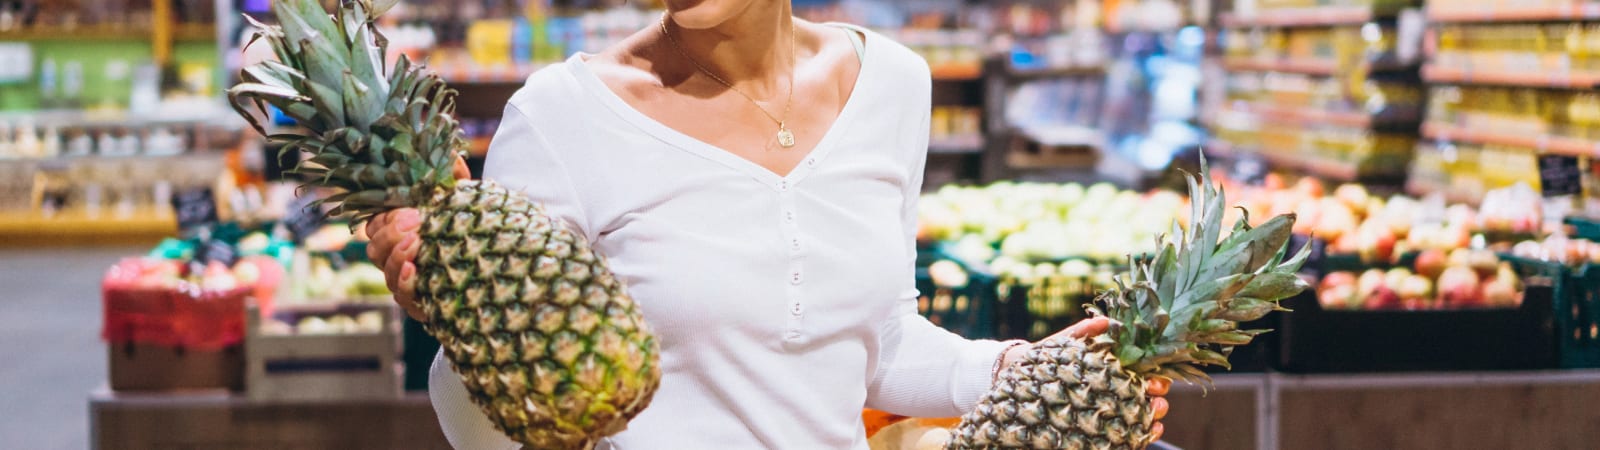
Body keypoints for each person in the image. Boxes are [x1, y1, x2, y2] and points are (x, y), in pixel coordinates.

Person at [365, 1, 1169, 448]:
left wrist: (1013, 370)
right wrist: (460, 324)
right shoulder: (562, 116)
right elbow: (500, 425)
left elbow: (879, 342)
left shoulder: (893, 83)